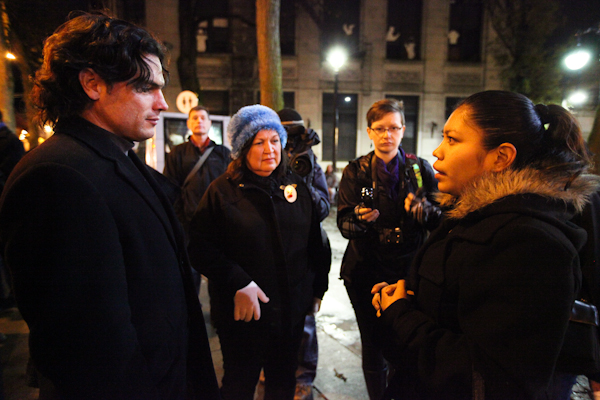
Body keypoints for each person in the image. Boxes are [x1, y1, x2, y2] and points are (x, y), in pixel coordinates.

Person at [0, 12, 220, 400]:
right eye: (146, 87)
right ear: (92, 84)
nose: (162, 103)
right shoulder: (56, 176)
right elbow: (89, 352)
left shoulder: (115, 157)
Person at [372, 90, 600, 400]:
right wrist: (407, 297)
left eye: (452, 140)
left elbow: (490, 378)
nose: (438, 151)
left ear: (501, 157)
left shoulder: (529, 245)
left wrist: (400, 315)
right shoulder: (471, 214)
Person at [188, 105, 330, 400]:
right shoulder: (221, 191)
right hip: (242, 320)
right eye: (259, 142)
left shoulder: (296, 186)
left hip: (289, 315)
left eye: (275, 140)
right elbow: (199, 248)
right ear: (243, 148)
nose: (269, 149)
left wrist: (317, 289)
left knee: (281, 384)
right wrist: (238, 280)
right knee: (239, 385)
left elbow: (315, 243)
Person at [337, 98, 441, 400]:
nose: (387, 135)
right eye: (380, 128)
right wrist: (359, 218)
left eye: (394, 128)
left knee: (406, 341)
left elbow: (441, 218)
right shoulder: (357, 171)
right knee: (373, 344)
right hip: (366, 269)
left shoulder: (419, 169)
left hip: (409, 269)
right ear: (369, 131)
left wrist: (424, 212)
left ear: (403, 130)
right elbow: (344, 223)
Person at [277, 108, 331, 400]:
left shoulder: (309, 162)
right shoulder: (267, 157)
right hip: (274, 254)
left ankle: (304, 377)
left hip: (303, 255)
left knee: (305, 323)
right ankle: (273, 368)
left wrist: (305, 183)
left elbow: (322, 210)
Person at [164, 105, 231, 293]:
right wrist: (179, 217)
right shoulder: (177, 153)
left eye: (203, 118)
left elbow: (230, 188)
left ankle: (218, 308)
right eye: (194, 118)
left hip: (217, 223)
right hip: (188, 224)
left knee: (218, 272)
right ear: (188, 123)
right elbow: (170, 187)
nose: (199, 121)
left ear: (210, 123)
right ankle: (193, 309)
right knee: (189, 272)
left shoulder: (223, 153)